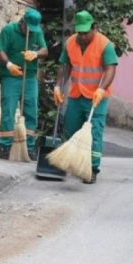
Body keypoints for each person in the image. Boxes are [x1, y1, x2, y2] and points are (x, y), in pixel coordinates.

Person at [52, 11, 118, 184]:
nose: (81, 36)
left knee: (94, 132)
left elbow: (110, 69)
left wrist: (102, 89)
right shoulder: (70, 43)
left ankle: (92, 168)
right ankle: (72, 162)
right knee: (70, 128)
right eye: (79, 32)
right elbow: (65, 66)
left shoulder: (105, 45)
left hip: (97, 96)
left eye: (85, 32)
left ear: (94, 28)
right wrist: (58, 86)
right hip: (76, 94)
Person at [0, 8, 48, 160]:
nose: (30, 33)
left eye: (33, 30)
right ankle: (5, 146)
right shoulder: (8, 30)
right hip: (11, 77)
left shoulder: (37, 33)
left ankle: (29, 147)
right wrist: (9, 65)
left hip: (30, 77)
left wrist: (36, 54)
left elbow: (45, 50)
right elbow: (0, 50)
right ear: (22, 22)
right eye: (28, 29)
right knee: (8, 111)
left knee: (31, 111)